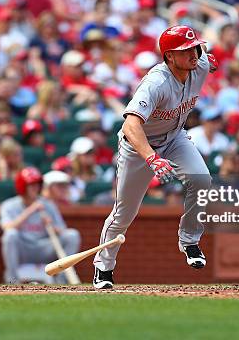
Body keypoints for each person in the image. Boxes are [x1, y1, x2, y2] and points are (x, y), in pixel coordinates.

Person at [93, 25, 217, 289]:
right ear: (169, 56)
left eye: (194, 48)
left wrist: (201, 52)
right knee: (124, 214)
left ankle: (189, 240)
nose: (193, 54)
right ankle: (104, 268)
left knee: (203, 180)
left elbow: (204, 50)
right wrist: (151, 157)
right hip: (139, 146)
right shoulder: (156, 82)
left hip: (174, 138)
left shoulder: (199, 63)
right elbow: (130, 125)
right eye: (185, 51)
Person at [0, 167, 81, 284]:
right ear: (22, 186)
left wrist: (51, 225)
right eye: (31, 185)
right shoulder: (9, 205)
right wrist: (31, 210)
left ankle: (62, 280)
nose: (35, 188)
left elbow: (62, 230)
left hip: (43, 248)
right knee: (10, 235)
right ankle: (12, 280)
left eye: (37, 185)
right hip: (23, 248)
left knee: (72, 235)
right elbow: (7, 228)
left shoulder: (47, 205)